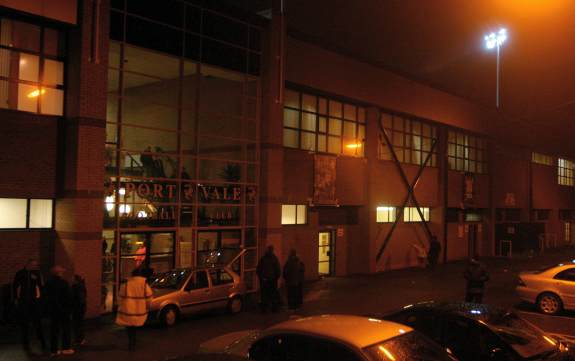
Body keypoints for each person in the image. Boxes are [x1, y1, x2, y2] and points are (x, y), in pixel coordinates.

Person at [12, 259, 46, 354]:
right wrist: (15, 298)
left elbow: (41, 286)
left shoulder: (37, 274)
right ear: (28, 264)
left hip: (34, 301)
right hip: (24, 301)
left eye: (36, 265)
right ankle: (26, 344)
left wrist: (40, 298)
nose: (35, 267)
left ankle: (43, 343)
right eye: (34, 265)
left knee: (37, 322)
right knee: (25, 324)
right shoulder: (20, 273)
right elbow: (15, 286)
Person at [116, 268, 153, 351]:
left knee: (129, 328)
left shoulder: (126, 285)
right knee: (134, 327)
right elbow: (149, 298)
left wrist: (121, 306)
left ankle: (131, 342)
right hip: (139, 311)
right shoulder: (144, 285)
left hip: (128, 311)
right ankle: (133, 342)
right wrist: (147, 306)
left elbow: (120, 298)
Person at [44, 265, 74, 356]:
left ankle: (54, 350)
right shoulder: (64, 283)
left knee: (54, 330)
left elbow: (46, 297)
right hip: (64, 310)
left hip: (53, 310)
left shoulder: (48, 283)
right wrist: (69, 309)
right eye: (61, 272)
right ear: (59, 273)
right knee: (66, 329)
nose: (62, 273)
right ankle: (66, 348)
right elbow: (68, 297)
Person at [256, 245, 281, 313]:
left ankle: (264, 309)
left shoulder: (263, 258)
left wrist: (261, 278)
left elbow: (258, 269)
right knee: (273, 294)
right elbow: (278, 270)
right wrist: (276, 278)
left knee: (264, 295)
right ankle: (274, 308)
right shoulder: (274, 258)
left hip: (264, 280)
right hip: (272, 280)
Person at [71, 274, 87, 345]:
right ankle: (80, 339)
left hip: (78, 309)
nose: (71, 280)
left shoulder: (77, 287)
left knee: (78, 324)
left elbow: (81, 299)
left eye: (72, 278)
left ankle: (79, 339)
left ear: (76, 280)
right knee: (79, 324)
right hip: (79, 308)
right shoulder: (80, 286)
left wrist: (79, 307)